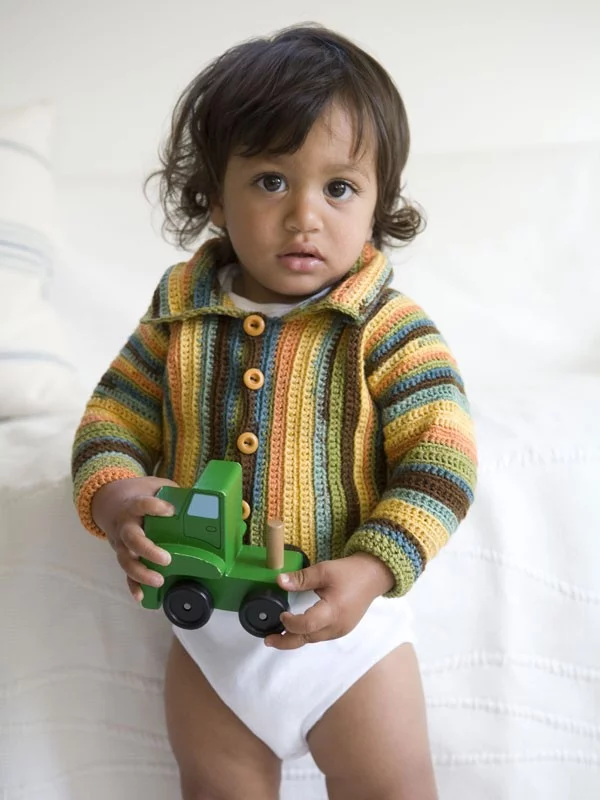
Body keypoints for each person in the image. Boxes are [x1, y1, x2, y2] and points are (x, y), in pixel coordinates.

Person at [72, 23, 477, 800]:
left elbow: (442, 456)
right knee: (217, 786)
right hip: (207, 635)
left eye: (339, 187)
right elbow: (112, 419)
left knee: (392, 787)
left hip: (349, 636)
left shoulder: (385, 326)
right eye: (269, 181)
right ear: (215, 197)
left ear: (377, 202)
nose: (304, 216)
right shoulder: (179, 313)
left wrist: (374, 566)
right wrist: (116, 491)